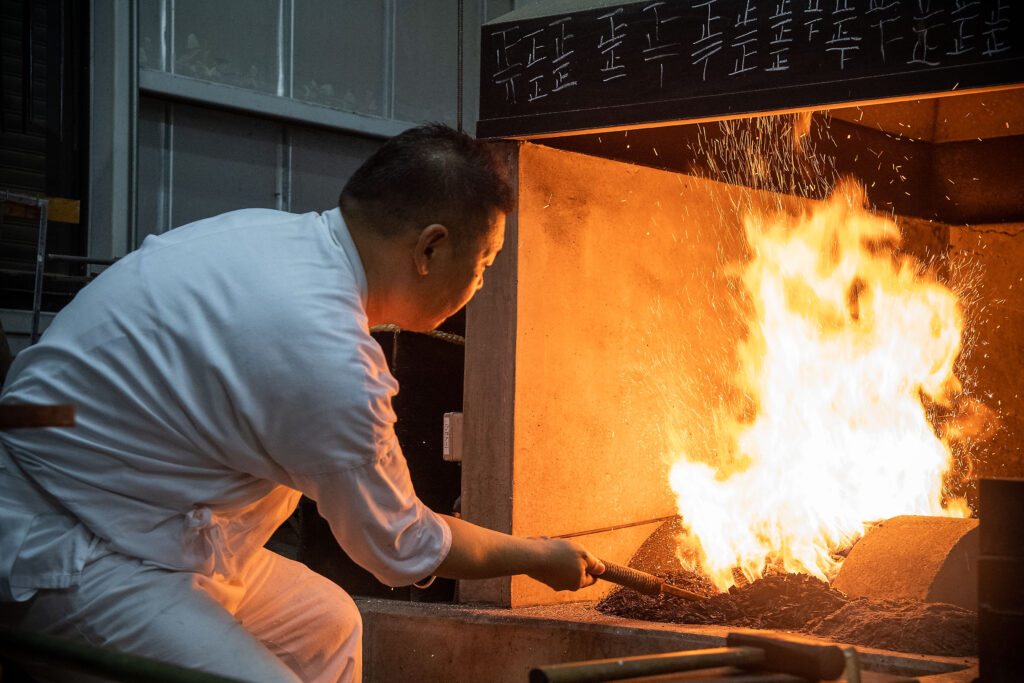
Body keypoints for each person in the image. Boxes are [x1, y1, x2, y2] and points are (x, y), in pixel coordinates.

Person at [0, 124, 604, 682]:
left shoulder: (273, 236)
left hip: (151, 517)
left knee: (327, 625)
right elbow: (402, 544)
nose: (479, 285)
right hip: (71, 541)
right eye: (485, 263)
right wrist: (537, 556)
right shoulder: (327, 352)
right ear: (430, 248)